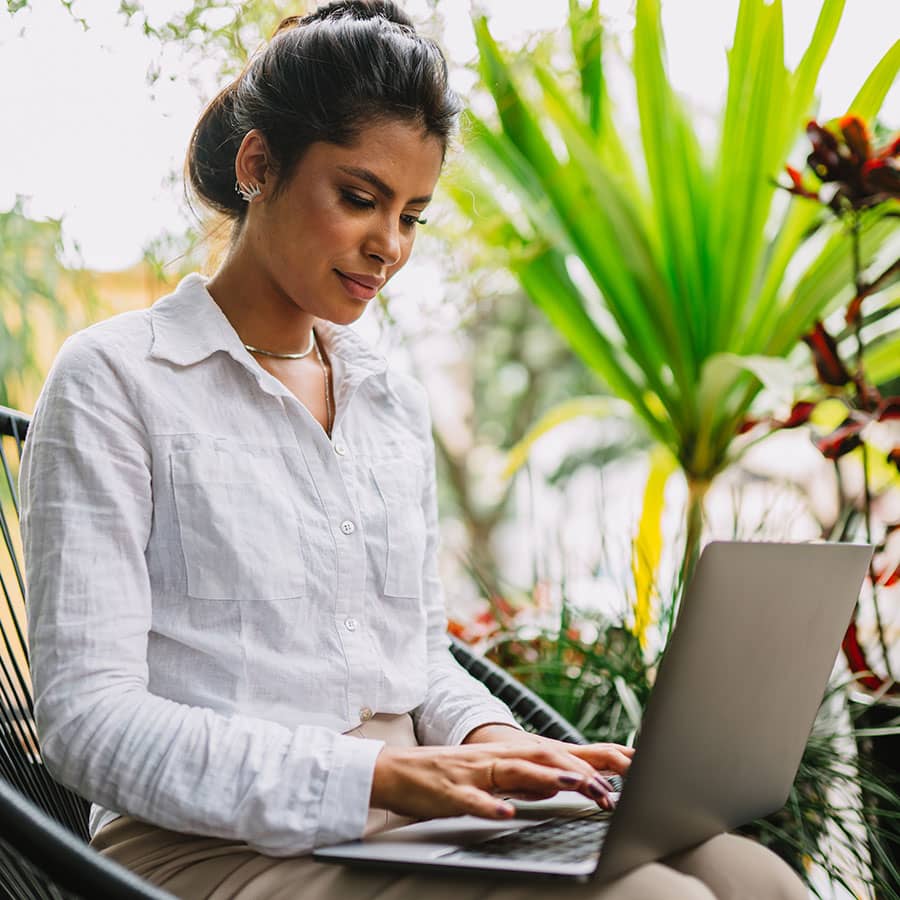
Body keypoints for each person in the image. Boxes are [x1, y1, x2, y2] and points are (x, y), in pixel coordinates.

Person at [19, 2, 807, 898]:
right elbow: (87, 723)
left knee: (755, 878)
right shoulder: (118, 380)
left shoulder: (384, 398)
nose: (388, 245)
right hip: (205, 850)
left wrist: (495, 746)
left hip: (414, 822)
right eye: (360, 199)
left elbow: (418, 663)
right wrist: (379, 777)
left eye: (413, 215)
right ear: (258, 166)